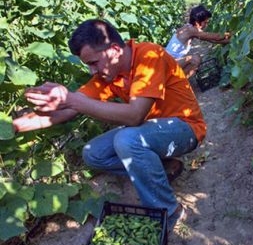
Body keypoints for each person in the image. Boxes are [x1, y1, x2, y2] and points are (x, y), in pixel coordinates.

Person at [13, 19, 206, 229]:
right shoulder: (109, 75)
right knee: (93, 153)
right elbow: (69, 109)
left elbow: (134, 116)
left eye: (93, 62)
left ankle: (169, 212)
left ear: (114, 50)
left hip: (185, 128)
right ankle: (165, 166)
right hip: (150, 133)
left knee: (127, 139)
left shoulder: (149, 55)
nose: (91, 71)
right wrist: (12, 126)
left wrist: (72, 99)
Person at [165, 5, 231, 78]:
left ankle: (176, 81)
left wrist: (231, 41)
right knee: (195, 59)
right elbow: (217, 37)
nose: (206, 25)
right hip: (167, 65)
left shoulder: (190, 29)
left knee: (195, 57)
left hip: (170, 62)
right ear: (197, 22)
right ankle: (178, 84)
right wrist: (232, 34)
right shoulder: (190, 30)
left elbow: (213, 40)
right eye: (205, 22)